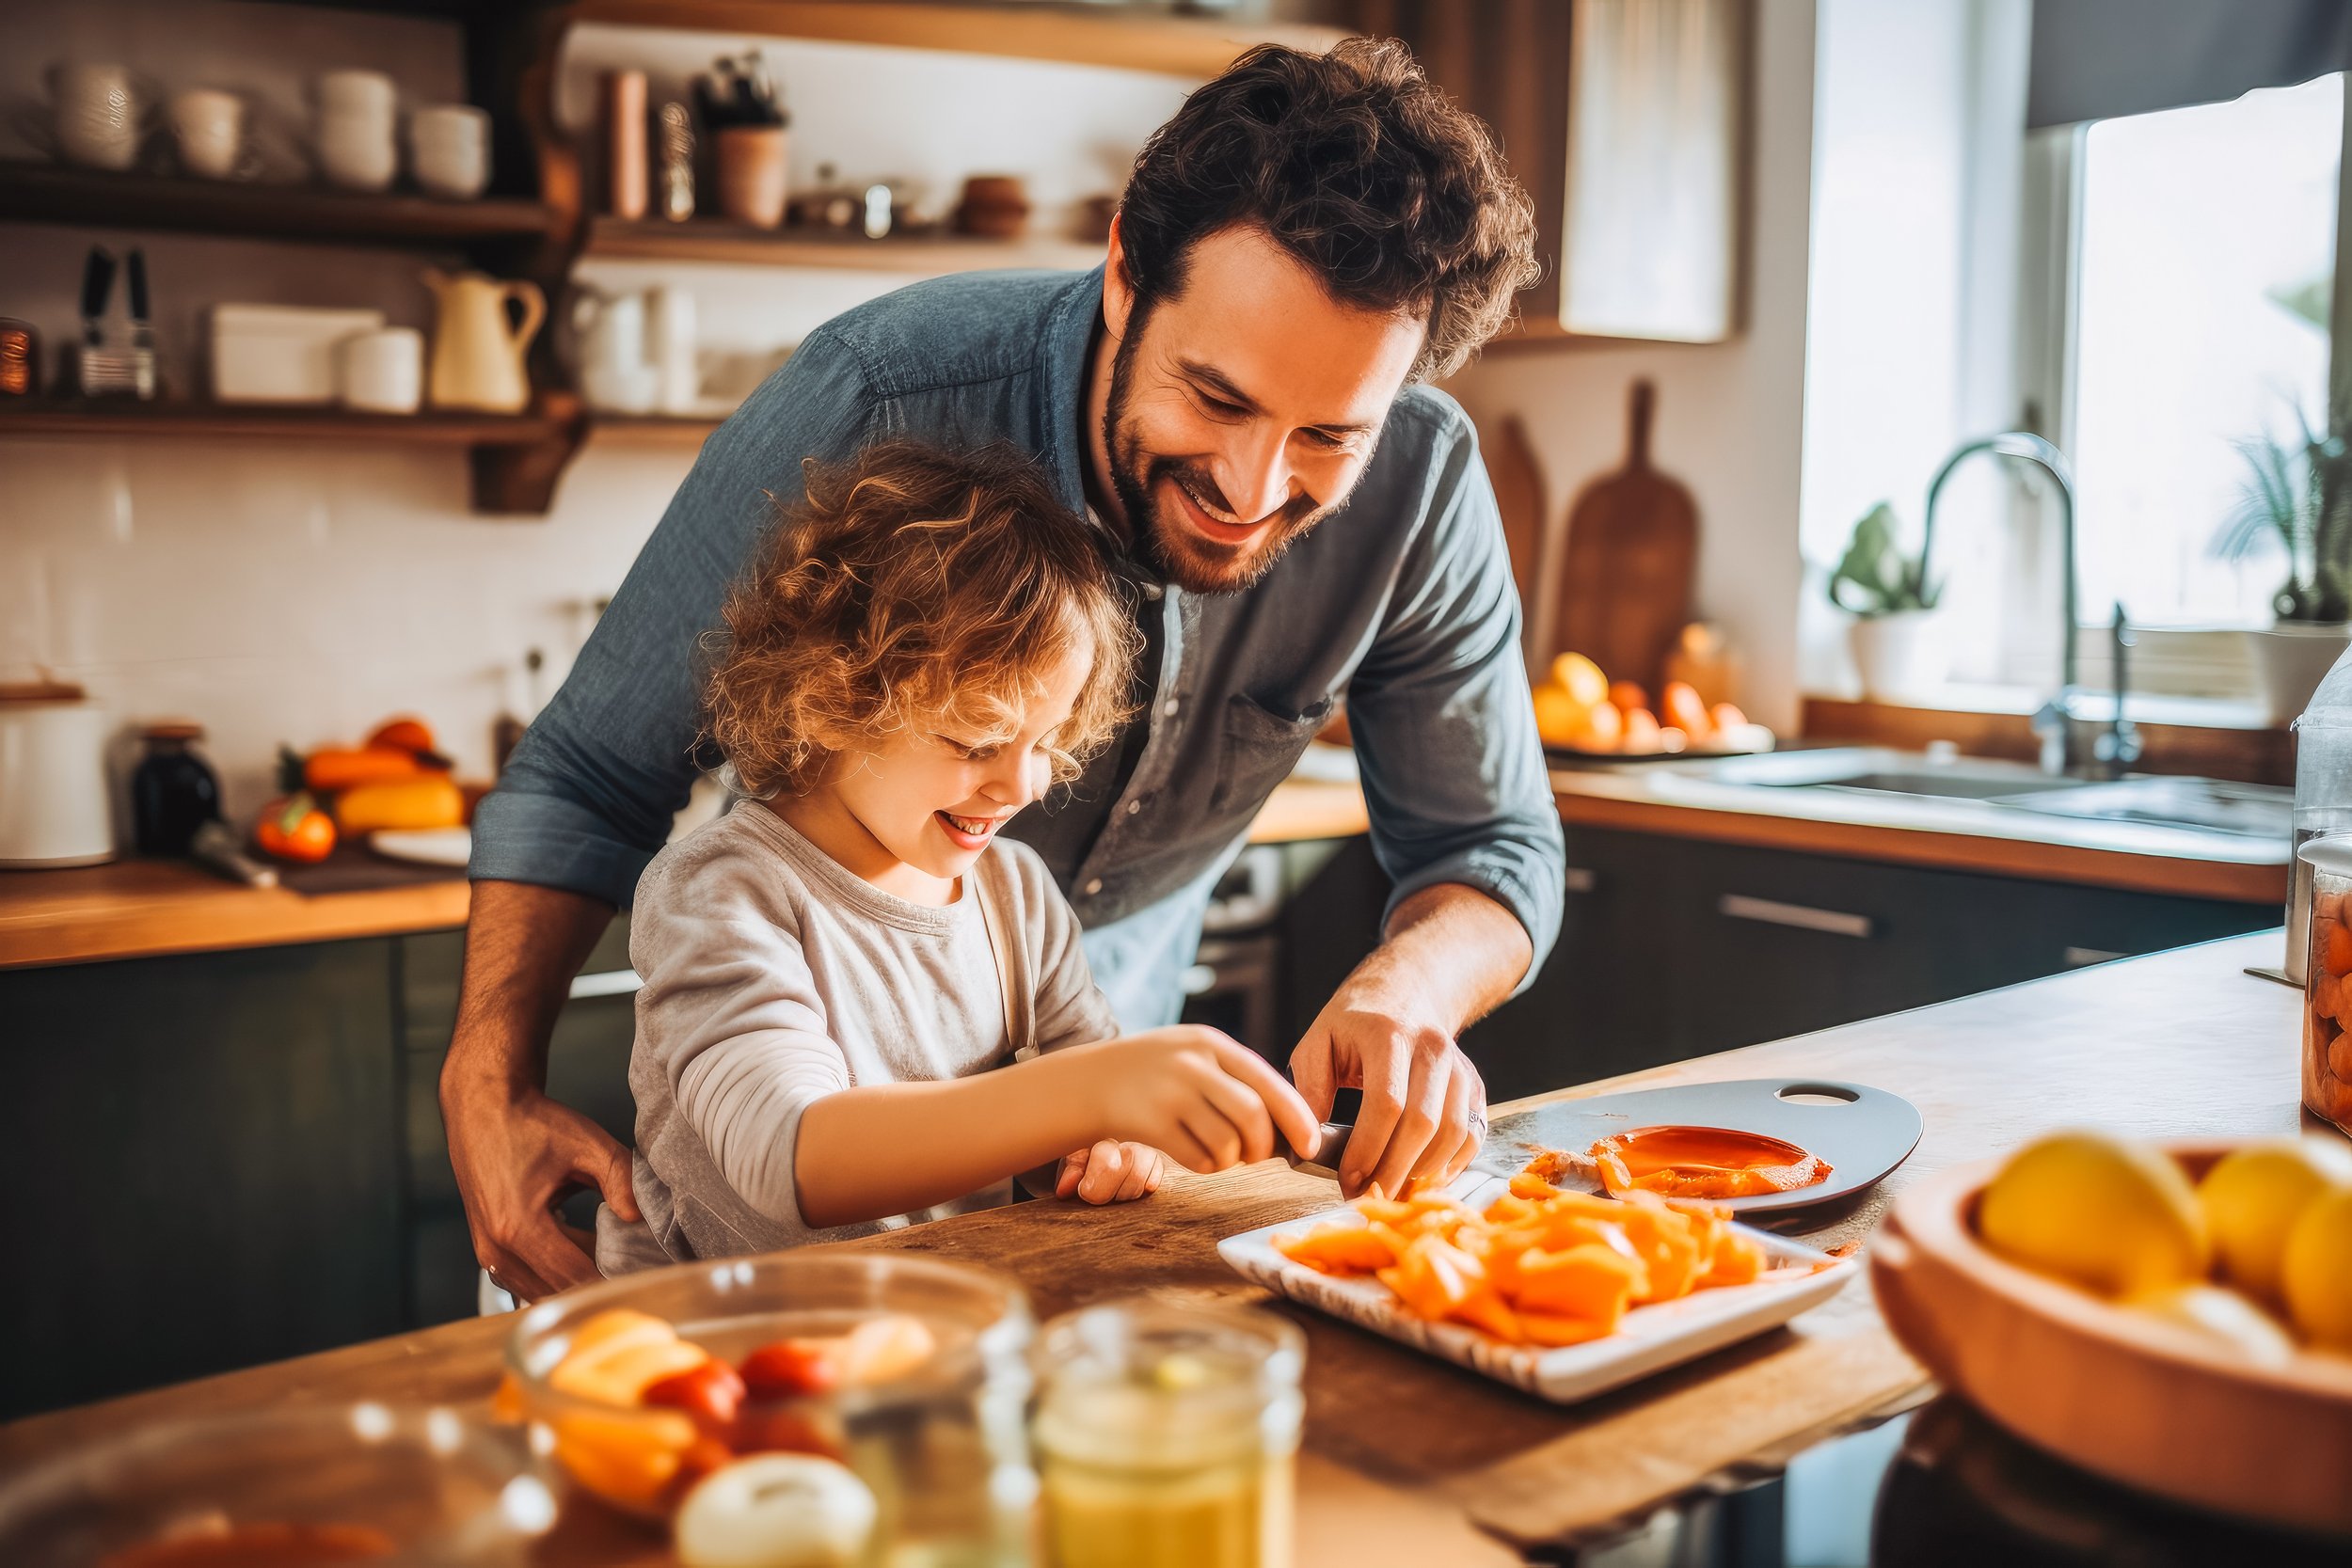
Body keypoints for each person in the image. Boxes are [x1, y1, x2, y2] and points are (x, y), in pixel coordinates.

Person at [448, 39, 1566, 1301]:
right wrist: (490, 1082)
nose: (1254, 493)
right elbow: (593, 773)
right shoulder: (872, 401)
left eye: (1327, 437)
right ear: (1125, 278)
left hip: (1053, 1165)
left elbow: (1494, 848)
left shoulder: (1420, 480)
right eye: (1215, 397)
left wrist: (1403, 996)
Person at [598, 441, 1319, 1272]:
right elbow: (786, 1155)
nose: (1023, 783)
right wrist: (1097, 1090)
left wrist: (1109, 1143)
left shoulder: (1014, 896)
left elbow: (1077, 1116)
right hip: (707, 1345)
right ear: (831, 702)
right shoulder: (723, 892)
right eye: (976, 740)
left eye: (1046, 740)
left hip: (922, 1330)